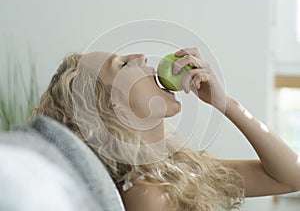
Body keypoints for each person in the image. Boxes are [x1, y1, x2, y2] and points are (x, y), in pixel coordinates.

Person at [32, 48, 300, 211]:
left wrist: (225, 103)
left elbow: (290, 177)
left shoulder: (177, 171)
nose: (142, 56)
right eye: (123, 64)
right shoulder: (145, 195)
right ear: (110, 106)